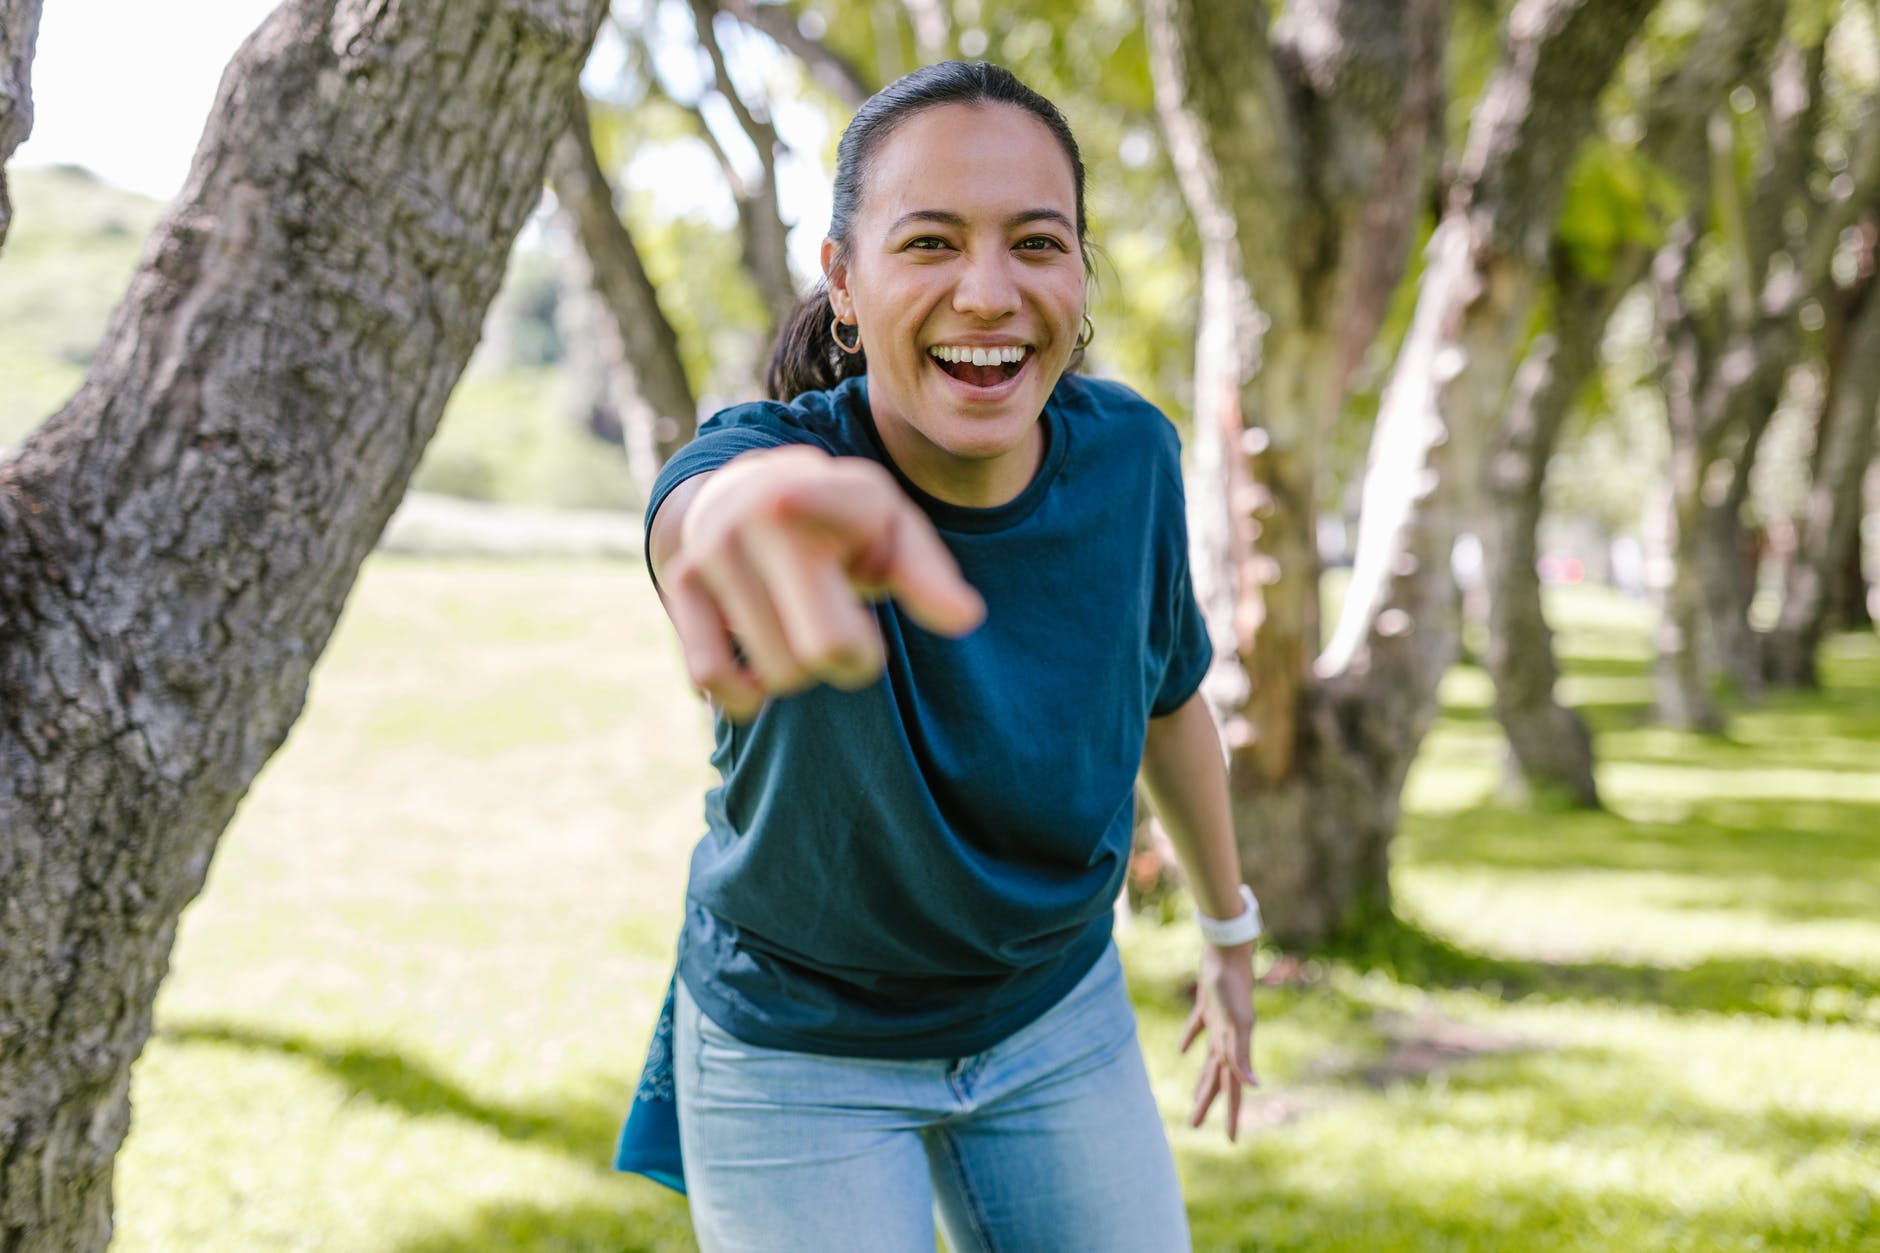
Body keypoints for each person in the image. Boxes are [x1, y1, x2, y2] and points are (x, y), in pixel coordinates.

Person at [615, 60, 1261, 1253]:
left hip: (1052, 1009)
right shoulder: (772, 461)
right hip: (799, 1041)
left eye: (1034, 242)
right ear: (844, 284)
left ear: (1077, 277)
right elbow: (704, 504)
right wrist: (738, 515)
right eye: (928, 244)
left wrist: (1226, 932)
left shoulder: (1129, 458)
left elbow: (1166, 701)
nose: (986, 290)